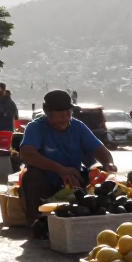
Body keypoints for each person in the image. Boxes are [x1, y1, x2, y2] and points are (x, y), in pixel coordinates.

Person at [18, 89, 117, 226]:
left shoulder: (78, 127)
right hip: (45, 182)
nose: (64, 119)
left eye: (67, 114)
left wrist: (108, 164)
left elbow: (100, 150)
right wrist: (60, 169)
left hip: (73, 180)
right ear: (47, 113)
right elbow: (27, 154)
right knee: (32, 177)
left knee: (104, 182)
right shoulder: (35, 127)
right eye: (59, 115)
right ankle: (37, 223)